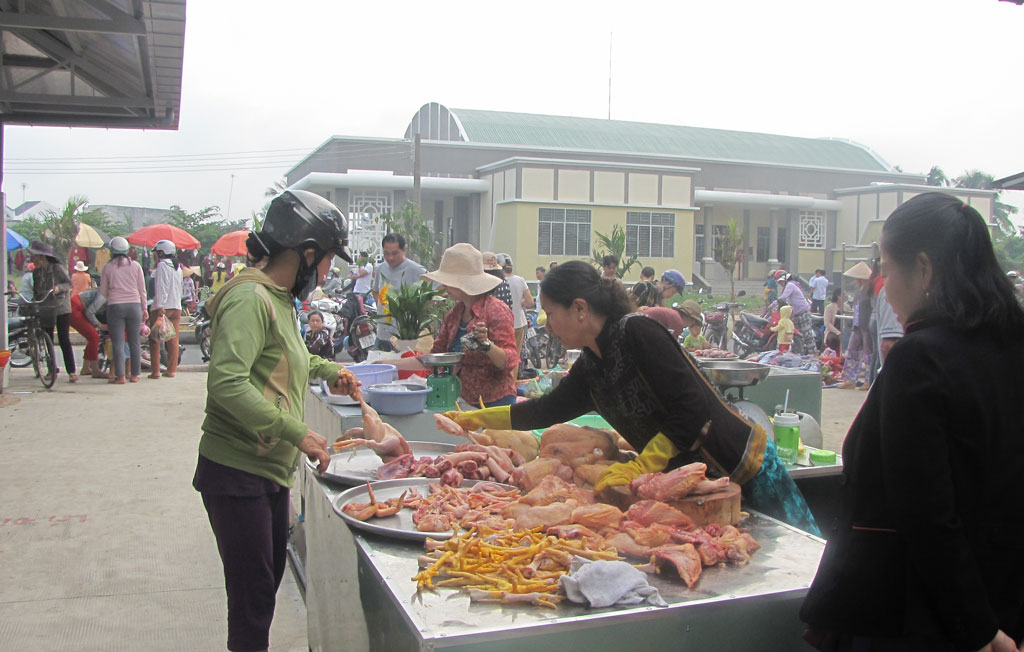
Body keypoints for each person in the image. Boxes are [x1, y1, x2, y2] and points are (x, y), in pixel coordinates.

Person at [801, 192, 1024, 652]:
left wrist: (980, 631)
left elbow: (925, 512)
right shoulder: (1010, 345)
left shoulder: (920, 359)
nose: (882, 283)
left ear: (923, 268)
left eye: (886, 267)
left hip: (918, 616)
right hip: (1004, 599)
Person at [447, 261, 819, 534]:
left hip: (741, 465)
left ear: (579, 308)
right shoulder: (592, 365)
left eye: (550, 313)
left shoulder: (637, 332)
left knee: (794, 555)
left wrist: (644, 465)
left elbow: (692, 409)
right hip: (692, 488)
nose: (547, 323)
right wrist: (479, 419)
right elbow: (545, 410)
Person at [193, 189, 360, 652]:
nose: (328, 272)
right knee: (251, 604)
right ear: (307, 254)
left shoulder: (278, 298)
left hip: (266, 469)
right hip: (236, 471)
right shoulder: (250, 298)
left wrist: (331, 371)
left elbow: (291, 355)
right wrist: (297, 432)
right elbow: (227, 384)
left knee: (262, 590)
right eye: (327, 260)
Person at [423, 243, 519, 408]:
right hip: (462, 401)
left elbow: (510, 360)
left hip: (494, 403)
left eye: (447, 282)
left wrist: (487, 345)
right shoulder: (454, 314)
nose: (444, 287)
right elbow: (435, 355)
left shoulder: (495, 310)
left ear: (462, 283)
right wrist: (386, 364)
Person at [100, 236, 148, 384]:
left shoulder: (108, 267)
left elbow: (103, 292)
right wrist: (144, 308)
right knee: (134, 341)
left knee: (118, 342)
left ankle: (120, 376)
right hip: (134, 306)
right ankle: (135, 375)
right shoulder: (136, 266)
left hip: (115, 306)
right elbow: (142, 290)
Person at [29, 241, 76, 382]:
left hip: (61, 307)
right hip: (45, 307)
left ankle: (71, 371)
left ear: (43, 258)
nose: (34, 261)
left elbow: (69, 283)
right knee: (47, 337)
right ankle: (52, 369)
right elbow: (36, 291)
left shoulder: (57, 268)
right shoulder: (36, 272)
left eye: (36, 258)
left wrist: (58, 288)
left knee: (64, 339)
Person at [372, 232, 427, 350]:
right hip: (382, 334)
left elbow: (434, 291)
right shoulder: (381, 268)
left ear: (403, 250)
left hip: (404, 337)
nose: (390, 258)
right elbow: (375, 291)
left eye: (394, 253)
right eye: (386, 253)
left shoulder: (416, 270)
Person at [148, 240, 184, 379]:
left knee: (155, 339)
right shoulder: (178, 267)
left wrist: (160, 307)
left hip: (163, 307)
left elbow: (162, 287)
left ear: (161, 253)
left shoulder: (163, 265)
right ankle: (171, 370)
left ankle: (156, 371)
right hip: (176, 307)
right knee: (173, 339)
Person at [836, 262, 873, 390]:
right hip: (857, 325)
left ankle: (868, 380)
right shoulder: (859, 291)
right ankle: (850, 378)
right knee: (852, 350)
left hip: (867, 325)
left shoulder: (870, 291)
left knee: (868, 353)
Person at [498, 253, 535, 358]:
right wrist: (521, 302)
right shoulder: (520, 280)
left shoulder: (497, 281)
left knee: (502, 356)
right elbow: (530, 302)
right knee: (515, 356)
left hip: (502, 325)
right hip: (519, 323)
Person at [70, 288, 106, 378]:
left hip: (79, 307)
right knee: (94, 337)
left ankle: (86, 368)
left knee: (91, 337)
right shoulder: (105, 294)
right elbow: (90, 312)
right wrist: (99, 325)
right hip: (75, 308)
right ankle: (95, 369)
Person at [777, 273, 815, 354]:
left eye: (781, 282)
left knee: (807, 335)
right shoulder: (791, 286)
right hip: (796, 314)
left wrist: (773, 304)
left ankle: (813, 354)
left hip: (803, 313)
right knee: (797, 336)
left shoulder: (790, 285)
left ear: (786, 280)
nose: (780, 284)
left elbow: (783, 297)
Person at [823, 288, 842, 353]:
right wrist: (837, 332)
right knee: (833, 339)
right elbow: (827, 323)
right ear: (838, 296)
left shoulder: (846, 307)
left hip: (843, 331)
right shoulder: (829, 307)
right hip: (832, 331)